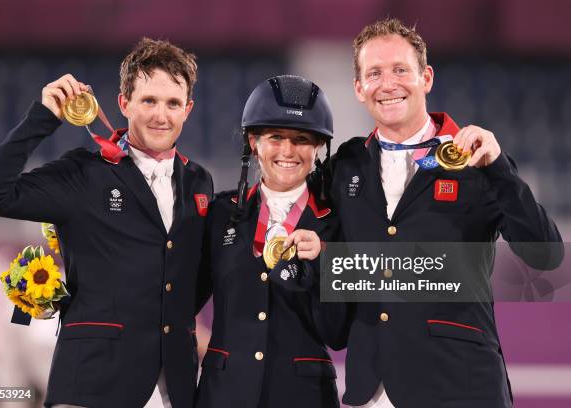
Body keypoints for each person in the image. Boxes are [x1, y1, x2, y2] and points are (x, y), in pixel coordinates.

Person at [0, 38, 213, 408]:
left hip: (171, 389)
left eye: (173, 103)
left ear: (188, 110)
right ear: (123, 103)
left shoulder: (198, 181)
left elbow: (191, 277)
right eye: (148, 101)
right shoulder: (83, 174)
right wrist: (42, 118)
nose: (161, 115)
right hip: (93, 385)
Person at [329, 18, 563, 408]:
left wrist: (499, 169)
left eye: (401, 69)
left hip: (460, 386)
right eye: (374, 73)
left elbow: (546, 256)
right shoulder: (346, 166)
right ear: (358, 88)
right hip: (372, 391)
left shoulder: (476, 160)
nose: (388, 84)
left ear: (427, 78)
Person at [195, 75, 348, 408]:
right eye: (275, 137)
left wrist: (324, 263)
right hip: (224, 395)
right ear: (254, 142)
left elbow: (337, 335)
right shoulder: (220, 214)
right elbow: (180, 299)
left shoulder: (336, 225)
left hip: (304, 397)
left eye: (302, 139)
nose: (288, 151)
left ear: (318, 147)